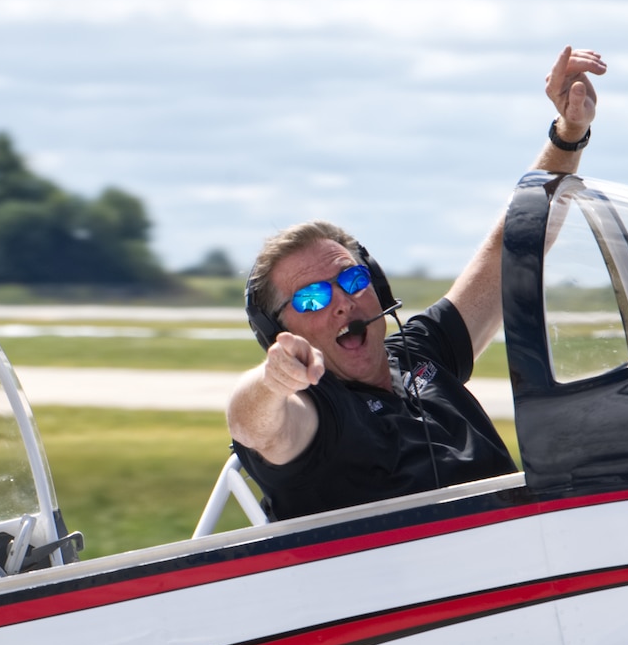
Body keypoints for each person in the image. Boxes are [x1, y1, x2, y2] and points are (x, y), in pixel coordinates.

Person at [226, 46, 605, 520]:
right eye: (312, 297)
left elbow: (509, 250)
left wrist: (568, 135)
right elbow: (253, 424)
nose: (342, 301)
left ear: (378, 287)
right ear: (278, 332)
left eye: (352, 278)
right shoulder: (315, 414)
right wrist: (272, 380)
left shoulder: (419, 352)